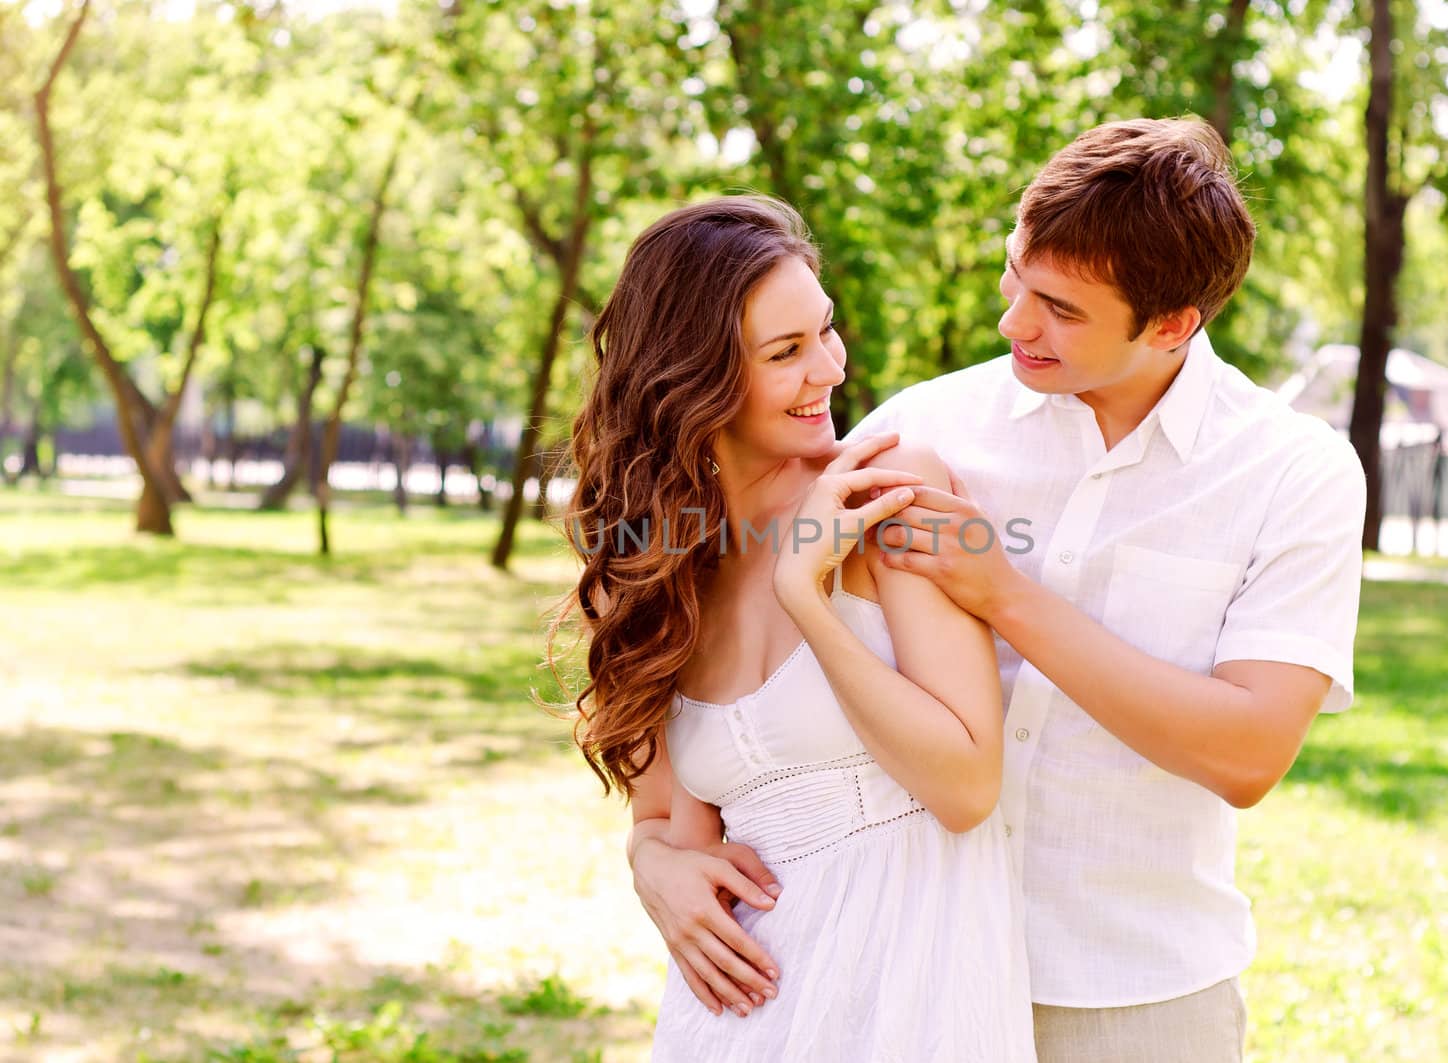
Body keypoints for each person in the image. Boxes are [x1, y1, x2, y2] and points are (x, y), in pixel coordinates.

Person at [634, 118, 1368, 1062]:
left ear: (1174, 324)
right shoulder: (923, 429)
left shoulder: (1289, 471)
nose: (1014, 321)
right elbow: (744, 692)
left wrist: (1007, 595)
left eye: (1061, 308)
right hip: (892, 972)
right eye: (1016, 273)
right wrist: (654, 852)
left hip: (1128, 988)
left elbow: (1250, 751)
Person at [556, 196, 1035, 1061]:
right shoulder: (662, 565)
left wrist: (806, 594)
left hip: (905, 1006)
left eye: (825, 331)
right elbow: (669, 823)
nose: (830, 371)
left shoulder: (888, 494)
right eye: (786, 352)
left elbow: (966, 785)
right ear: (692, 379)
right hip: (742, 1014)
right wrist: (651, 866)